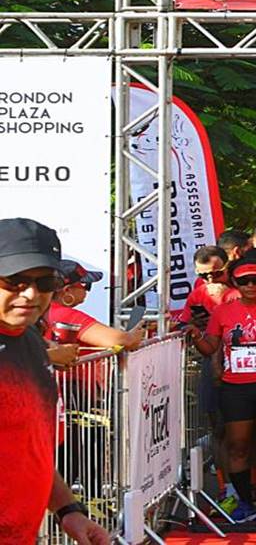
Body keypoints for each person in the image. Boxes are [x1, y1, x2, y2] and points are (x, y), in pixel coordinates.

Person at [0, 218, 109, 544]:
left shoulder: (32, 343)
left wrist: (67, 510)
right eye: (14, 281)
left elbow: (31, 450)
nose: (31, 293)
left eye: (45, 281)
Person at [184, 260, 256, 524]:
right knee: (238, 447)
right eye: (244, 281)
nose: (250, 286)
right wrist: (196, 336)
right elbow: (210, 348)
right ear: (235, 284)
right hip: (235, 387)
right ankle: (244, 501)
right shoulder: (223, 312)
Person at [44, 261, 142, 353]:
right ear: (67, 290)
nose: (87, 291)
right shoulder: (65, 314)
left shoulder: (45, 311)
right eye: (86, 285)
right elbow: (120, 340)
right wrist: (135, 335)